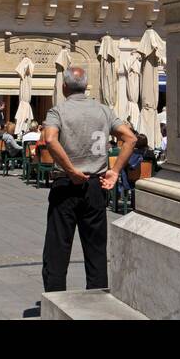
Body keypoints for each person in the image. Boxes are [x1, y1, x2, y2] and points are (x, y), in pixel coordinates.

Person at [40, 65, 137, 292]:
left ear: (64, 87)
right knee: (96, 248)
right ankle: (97, 301)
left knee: (57, 248)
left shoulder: (58, 111)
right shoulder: (104, 110)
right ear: (86, 87)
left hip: (66, 184)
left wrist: (71, 170)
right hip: (95, 185)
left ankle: (56, 300)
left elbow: (50, 139)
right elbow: (130, 138)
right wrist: (115, 170)